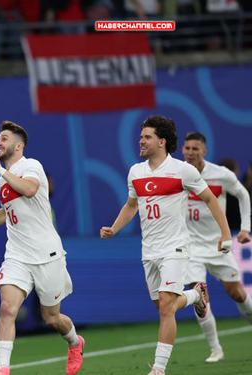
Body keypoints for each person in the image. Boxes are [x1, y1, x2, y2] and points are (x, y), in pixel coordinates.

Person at [100, 116, 232, 375]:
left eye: (146, 137)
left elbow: (210, 199)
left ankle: (158, 369)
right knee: (164, 306)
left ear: (161, 142)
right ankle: (195, 295)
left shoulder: (183, 170)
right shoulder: (135, 172)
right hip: (149, 250)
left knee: (166, 306)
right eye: (140, 137)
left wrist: (225, 234)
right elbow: (131, 205)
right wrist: (115, 228)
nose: (141, 141)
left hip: (176, 247)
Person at [0, 121, 84, 375]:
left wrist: (1, 171)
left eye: (4, 139)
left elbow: (29, 189)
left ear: (19, 145)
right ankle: (3, 370)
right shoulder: (3, 179)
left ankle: (75, 342)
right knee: (7, 308)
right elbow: (6, 214)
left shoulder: (31, 166)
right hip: (17, 254)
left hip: (47, 254)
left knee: (51, 318)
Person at [181, 132, 252, 363]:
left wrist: (245, 228)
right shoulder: (176, 174)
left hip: (218, 245)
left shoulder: (220, 175)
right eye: (187, 148)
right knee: (200, 298)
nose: (190, 152)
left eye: (195, 148)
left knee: (238, 294)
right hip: (190, 249)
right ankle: (215, 349)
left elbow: (242, 194)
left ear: (204, 151)